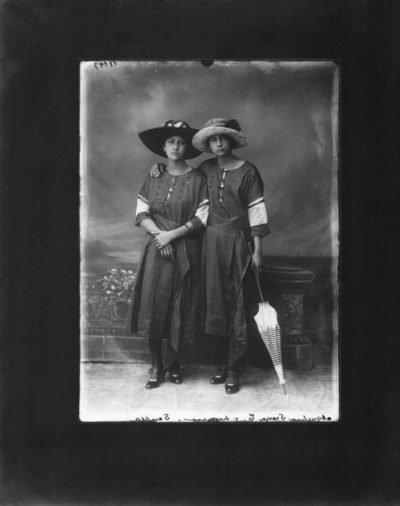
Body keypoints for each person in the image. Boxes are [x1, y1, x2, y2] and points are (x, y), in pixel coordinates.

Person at [151, 118, 270, 394]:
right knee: (212, 301)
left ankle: (234, 368)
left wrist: (258, 251)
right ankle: (219, 363)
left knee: (236, 302)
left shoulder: (249, 171)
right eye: (213, 139)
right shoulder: (205, 169)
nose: (218, 143)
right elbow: (181, 174)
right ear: (208, 143)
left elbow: (257, 212)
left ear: (231, 141)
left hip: (238, 242)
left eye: (223, 138)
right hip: (208, 244)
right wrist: (158, 166)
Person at [131, 120, 209, 389]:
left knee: (181, 305)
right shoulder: (154, 176)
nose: (176, 147)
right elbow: (141, 212)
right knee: (154, 304)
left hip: (185, 249)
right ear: (163, 147)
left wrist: (170, 236)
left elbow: (202, 217)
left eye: (181, 142)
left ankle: (175, 363)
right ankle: (156, 366)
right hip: (156, 249)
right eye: (171, 142)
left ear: (187, 148)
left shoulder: (198, 179)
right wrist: (158, 236)